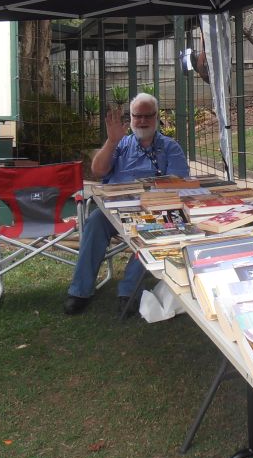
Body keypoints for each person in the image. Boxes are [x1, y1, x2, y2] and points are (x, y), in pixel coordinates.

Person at [64, 92, 189, 315]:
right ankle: (79, 291)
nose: (141, 121)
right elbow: (98, 170)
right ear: (130, 118)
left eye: (147, 116)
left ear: (156, 116)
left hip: (153, 211)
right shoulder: (120, 144)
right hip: (115, 211)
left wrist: (148, 196)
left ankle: (128, 292)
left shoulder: (170, 147)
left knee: (155, 230)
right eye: (136, 116)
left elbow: (177, 184)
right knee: (94, 223)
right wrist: (111, 141)